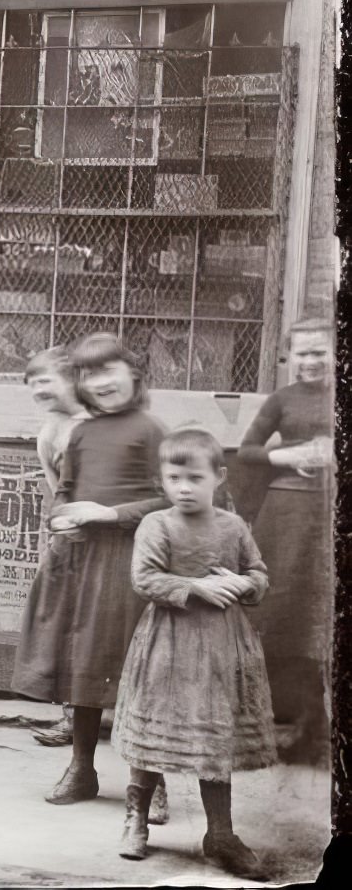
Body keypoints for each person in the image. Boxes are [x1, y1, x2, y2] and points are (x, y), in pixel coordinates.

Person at [11, 333, 168, 806]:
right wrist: (61, 519)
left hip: (133, 560)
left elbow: (172, 497)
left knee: (140, 672)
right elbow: (66, 489)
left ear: (134, 373)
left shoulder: (150, 429)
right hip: (81, 562)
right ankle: (82, 770)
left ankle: (151, 783)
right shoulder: (79, 432)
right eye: (88, 373)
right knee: (82, 664)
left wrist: (110, 515)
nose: (99, 382)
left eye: (109, 370)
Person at [111, 427, 275, 879]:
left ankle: (220, 833)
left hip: (224, 644)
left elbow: (258, 572)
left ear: (218, 477)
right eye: (174, 478)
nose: (184, 488)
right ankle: (136, 820)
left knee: (215, 734)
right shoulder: (157, 524)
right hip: (169, 641)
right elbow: (144, 579)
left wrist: (245, 583)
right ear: (162, 480)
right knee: (154, 732)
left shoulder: (233, 526)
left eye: (195, 478)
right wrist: (196, 586)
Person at [233, 318, 335, 760]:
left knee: (324, 616)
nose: (311, 361)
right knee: (285, 612)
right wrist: (286, 454)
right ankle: (282, 723)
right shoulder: (282, 399)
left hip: (331, 514)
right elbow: (247, 450)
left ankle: (320, 729)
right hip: (287, 515)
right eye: (303, 353)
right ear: (289, 357)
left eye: (320, 352)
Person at [22, 349, 84, 750]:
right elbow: (56, 490)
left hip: (112, 533)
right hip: (71, 541)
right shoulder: (49, 433)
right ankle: (74, 720)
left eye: (46, 380)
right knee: (64, 627)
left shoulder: (97, 423)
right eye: (31, 383)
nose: (37, 389)